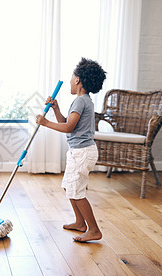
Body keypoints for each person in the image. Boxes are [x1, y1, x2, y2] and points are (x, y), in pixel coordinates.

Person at [36, 57, 106, 242]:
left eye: (71, 76)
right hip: (79, 152)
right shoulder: (83, 101)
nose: (69, 80)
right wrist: (56, 110)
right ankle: (80, 223)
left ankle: (94, 230)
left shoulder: (80, 102)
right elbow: (67, 123)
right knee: (70, 187)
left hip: (82, 153)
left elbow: (67, 128)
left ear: (77, 80)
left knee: (77, 191)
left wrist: (45, 122)